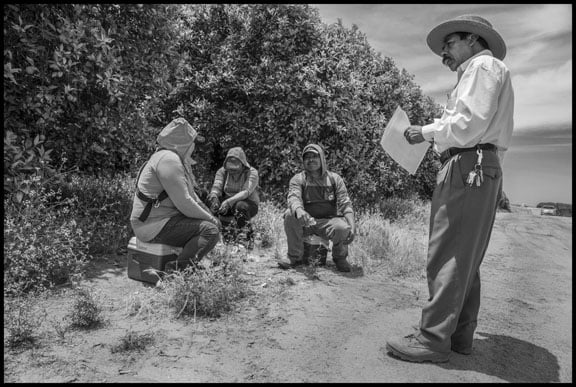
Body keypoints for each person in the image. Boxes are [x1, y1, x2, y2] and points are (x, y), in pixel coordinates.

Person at [386, 15, 514, 363]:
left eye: (450, 44)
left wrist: (424, 131)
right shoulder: (481, 72)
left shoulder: (482, 66)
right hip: (477, 165)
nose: (444, 53)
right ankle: (459, 336)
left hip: (468, 164)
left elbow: (470, 124)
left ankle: (432, 339)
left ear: (473, 38)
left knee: (448, 253)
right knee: (465, 255)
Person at [130, 118, 221, 270]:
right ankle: (177, 271)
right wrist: (212, 220)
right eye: (192, 142)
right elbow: (185, 203)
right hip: (152, 226)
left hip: (162, 220)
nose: (194, 147)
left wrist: (210, 215)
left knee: (210, 225)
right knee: (210, 231)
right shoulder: (168, 159)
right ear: (182, 142)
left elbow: (193, 197)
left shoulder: (173, 158)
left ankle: (187, 264)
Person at [279, 143, 356, 272]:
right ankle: (294, 257)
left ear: (322, 159)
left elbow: (346, 204)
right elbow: (293, 198)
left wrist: (352, 228)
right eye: (307, 157)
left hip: (328, 222)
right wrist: (299, 211)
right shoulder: (298, 179)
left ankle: (340, 258)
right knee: (290, 214)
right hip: (306, 222)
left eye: (314, 156)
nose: (311, 160)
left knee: (342, 227)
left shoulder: (334, 179)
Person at [206, 147, 260, 243]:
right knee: (210, 200)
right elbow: (216, 187)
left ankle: (246, 238)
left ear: (243, 165)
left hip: (247, 204)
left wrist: (229, 201)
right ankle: (216, 234)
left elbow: (246, 192)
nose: (232, 170)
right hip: (227, 202)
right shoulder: (222, 171)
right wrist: (214, 197)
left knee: (240, 206)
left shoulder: (252, 172)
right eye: (230, 166)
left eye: (235, 167)